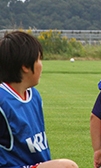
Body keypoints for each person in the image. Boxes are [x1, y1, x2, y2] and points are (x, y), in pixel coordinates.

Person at [0, 31, 78, 168]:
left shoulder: (34, 96)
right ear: (25, 66)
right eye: (38, 59)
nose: (41, 65)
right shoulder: (2, 102)